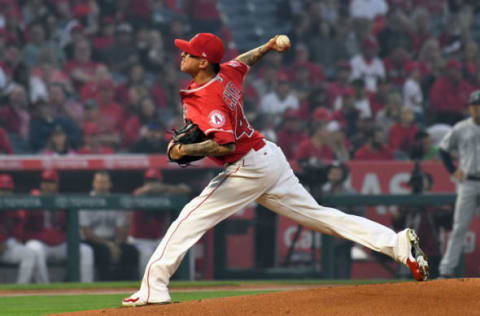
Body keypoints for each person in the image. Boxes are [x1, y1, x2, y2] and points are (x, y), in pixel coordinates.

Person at [123, 33, 429, 307]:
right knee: (322, 217)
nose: (182, 55)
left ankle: (154, 287)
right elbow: (244, 61)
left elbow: (225, 145)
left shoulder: (208, 98)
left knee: (190, 218)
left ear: (203, 62)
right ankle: (397, 244)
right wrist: (268, 46)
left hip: (247, 166)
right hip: (268, 156)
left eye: (188, 52)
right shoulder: (226, 72)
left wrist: (184, 150)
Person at [437, 90, 480, 278]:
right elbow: (443, 150)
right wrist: (453, 170)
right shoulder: (461, 128)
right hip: (468, 182)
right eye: (475, 105)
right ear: (470, 108)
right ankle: (446, 271)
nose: (477, 109)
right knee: (459, 227)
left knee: (459, 228)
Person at [24, 170, 94, 283]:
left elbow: (70, 227)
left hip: (59, 245)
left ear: (57, 185)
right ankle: (44, 289)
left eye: (51, 182)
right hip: (41, 243)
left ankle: (87, 286)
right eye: (45, 182)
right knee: (35, 249)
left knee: (86, 251)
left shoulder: (63, 201)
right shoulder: (33, 199)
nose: (47, 185)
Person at [128, 168, 191, 276]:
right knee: (146, 256)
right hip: (139, 240)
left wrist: (163, 189)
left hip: (158, 239)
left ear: (160, 182)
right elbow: (138, 193)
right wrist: (150, 189)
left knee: (180, 252)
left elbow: (186, 189)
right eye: (149, 181)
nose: (152, 184)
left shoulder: (166, 194)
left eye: (154, 181)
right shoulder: (139, 192)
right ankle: (145, 286)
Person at [80, 171, 138, 281]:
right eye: (99, 182)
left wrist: (116, 244)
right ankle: (103, 287)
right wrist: (109, 245)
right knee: (104, 252)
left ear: (110, 184)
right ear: (94, 184)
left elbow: (121, 229)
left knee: (130, 251)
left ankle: (128, 286)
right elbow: (87, 232)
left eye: (104, 182)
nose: (101, 185)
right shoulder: (86, 201)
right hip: (93, 242)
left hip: (114, 240)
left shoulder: (116, 201)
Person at [0, 174, 39, 284]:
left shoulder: (15, 209)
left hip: (6, 248)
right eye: (2, 190)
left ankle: (21, 287)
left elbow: (18, 232)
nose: (5, 193)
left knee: (29, 254)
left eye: (7, 190)